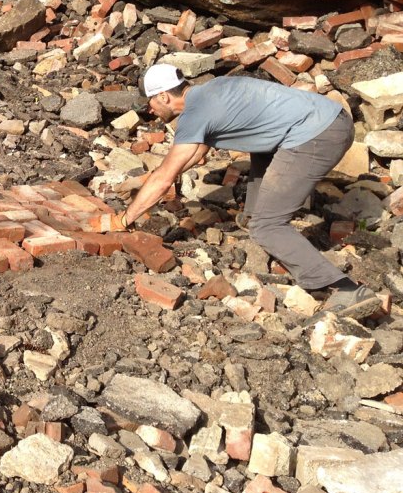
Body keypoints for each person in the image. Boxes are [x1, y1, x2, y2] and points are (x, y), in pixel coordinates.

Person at [116, 64, 381, 320]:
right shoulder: (213, 90)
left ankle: (345, 289)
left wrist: (123, 220)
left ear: (163, 96)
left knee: (268, 226)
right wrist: (142, 183)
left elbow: (165, 177)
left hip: (317, 136)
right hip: (331, 117)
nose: (148, 111)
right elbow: (194, 156)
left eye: (148, 103)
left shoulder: (196, 114)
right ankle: (256, 214)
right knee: (261, 146)